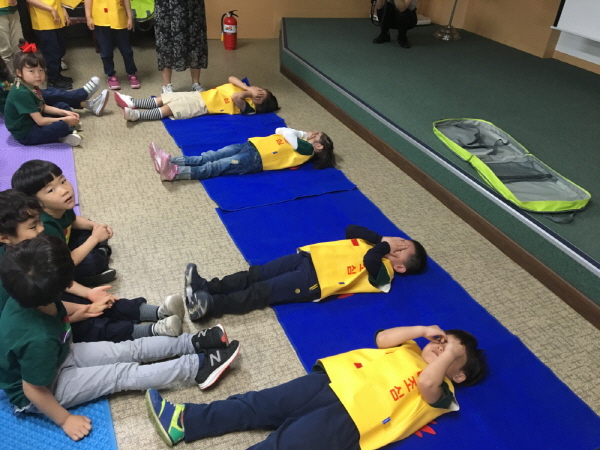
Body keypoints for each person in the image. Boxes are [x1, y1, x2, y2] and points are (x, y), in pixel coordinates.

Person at [0, 235, 241, 442]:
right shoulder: (39, 341)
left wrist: (85, 309)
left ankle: (190, 343)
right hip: (45, 389)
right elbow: (32, 389)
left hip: (59, 354)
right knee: (121, 374)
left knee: (127, 349)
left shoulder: (28, 296)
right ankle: (197, 368)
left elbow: (58, 308)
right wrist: (65, 420)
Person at [146, 324, 487, 449]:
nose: (442, 350)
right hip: (330, 381)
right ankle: (184, 421)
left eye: (452, 355)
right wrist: (424, 331)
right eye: (442, 342)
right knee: (257, 404)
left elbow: (427, 381)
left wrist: (451, 353)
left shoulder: (443, 392)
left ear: (458, 375)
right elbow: (383, 337)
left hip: (352, 421)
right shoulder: (410, 347)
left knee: (284, 446)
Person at [0, 189, 187, 341]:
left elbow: (58, 276)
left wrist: (88, 293)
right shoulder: (10, 272)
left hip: (49, 296)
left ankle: (157, 312)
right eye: (33, 226)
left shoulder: (31, 247)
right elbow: (42, 307)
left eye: (39, 222)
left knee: (103, 300)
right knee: (91, 325)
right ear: (5, 238)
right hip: (39, 317)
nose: (42, 229)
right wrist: (83, 310)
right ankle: (152, 331)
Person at [182, 224, 427, 321]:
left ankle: (210, 306)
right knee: (255, 274)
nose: (398, 245)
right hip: (307, 258)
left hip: (313, 281)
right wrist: (382, 238)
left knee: (261, 292)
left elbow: (370, 260)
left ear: (401, 267)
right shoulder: (374, 243)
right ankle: (207, 287)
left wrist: (385, 246)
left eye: (403, 249)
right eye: (402, 241)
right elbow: (351, 229)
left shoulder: (385, 275)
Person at [11, 159, 117, 287]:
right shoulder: (45, 226)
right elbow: (68, 261)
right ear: (36, 202)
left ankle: (100, 249)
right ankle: (86, 277)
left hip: (64, 243)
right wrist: (95, 238)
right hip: (58, 261)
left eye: (63, 181)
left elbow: (73, 220)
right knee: (93, 262)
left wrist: (95, 226)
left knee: (86, 227)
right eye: (51, 190)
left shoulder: (61, 205)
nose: (64, 190)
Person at [148, 127, 335, 182]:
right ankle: (170, 160)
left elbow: (287, 132)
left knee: (216, 166)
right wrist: (301, 134)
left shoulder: (307, 150)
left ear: (318, 146)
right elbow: (280, 130)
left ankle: (175, 173)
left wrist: (302, 134)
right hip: (251, 146)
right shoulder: (301, 142)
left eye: (315, 135)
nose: (311, 133)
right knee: (210, 155)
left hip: (256, 159)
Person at [3, 43, 83, 146]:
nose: (38, 75)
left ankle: (69, 126)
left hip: (32, 119)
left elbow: (42, 106)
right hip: (26, 133)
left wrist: (65, 113)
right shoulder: (21, 93)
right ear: (19, 72)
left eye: (41, 70)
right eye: (31, 71)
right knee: (61, 125)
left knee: (62, 106)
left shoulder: (29, 84)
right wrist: (65, 120)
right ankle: (65, 132)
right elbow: (40, 121)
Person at [114, 76, 279, 122]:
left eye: (260, 96)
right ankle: (134, 102)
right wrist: (248, 87)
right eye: (260, 90)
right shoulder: (244, 88)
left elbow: (236, 97)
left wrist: (248, 93)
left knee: (170, 108)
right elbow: (231, 78)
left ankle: (138, 115)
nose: (257, 93)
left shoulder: (249, 109)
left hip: (203, 105)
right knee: (165, 98)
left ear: (260, 105)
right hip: (200, 95)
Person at [0, 56, 109, 117]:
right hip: (16, 106)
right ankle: (81, 95)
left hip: (19, 96)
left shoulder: (6, 75)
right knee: (49, 95)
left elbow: (13, 82)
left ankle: (89, 104)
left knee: (49, 94)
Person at [153, 0, 207, 93]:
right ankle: (166, 85)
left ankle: (196, 83)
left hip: (193, 4)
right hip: (167, 4)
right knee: (166, 40)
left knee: (195, 39)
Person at [84, 0, 140, 90]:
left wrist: (129, 16)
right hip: (101, 19)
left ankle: (131, 72)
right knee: (106, 50)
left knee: (126, 50)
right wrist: (88, 17)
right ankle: (111, 75)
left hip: (119, 17)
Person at [25, 0, 72, 88]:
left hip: (57, 17)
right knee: (51, 52)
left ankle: (58, 75)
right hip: (43, 19)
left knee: (59, 49)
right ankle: (52, 80)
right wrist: (51, 9)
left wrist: (63, 9)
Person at [0, 0, 22, 69]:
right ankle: (9, 75)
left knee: (18, 46)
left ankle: (19, 73)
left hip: (13, 9)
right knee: (4, 51)